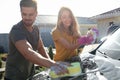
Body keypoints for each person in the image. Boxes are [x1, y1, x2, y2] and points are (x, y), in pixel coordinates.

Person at [4, 0, 69, 80]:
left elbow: (41, 48)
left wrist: (51, 66)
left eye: (31, 14)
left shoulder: (36, 30)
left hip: (29, 75)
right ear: (20, 12)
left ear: (36, 14)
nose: (27, 18)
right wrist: (53, 64)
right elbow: (28, 53)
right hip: (13, 77)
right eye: (24, 14)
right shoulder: (16, 30)